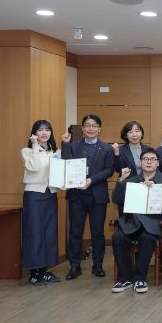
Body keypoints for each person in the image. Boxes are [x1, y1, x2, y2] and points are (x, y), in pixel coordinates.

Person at [110, 148, 162, 293]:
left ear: (158, 163)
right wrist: (121, 180)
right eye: (145, 159)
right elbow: (116, 199)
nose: (149, 162)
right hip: (132, 223)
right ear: (140, 162)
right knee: (118, 237)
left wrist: (157, 190)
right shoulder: (131, 181)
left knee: (147, 238)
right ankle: (125, 279)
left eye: (152, 159)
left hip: (153, 225)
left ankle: (140, 279)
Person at [61, 114, 114, 280]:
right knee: (75, 232)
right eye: (87, 125)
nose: (91, 128)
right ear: (82, 128)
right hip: (76, 196)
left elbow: (109, 170)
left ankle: (98, 265)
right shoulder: (73, 146)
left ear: (99, 129)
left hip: (97, 196)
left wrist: (91, 180)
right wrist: (65, 144)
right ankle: (74, 266)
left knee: (97, 233)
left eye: (94, 125)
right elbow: (66, 164)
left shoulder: (106, 148)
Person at [20, 119, 61, 285]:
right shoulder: (27, 151)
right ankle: (34, 273)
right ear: (34, 133)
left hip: (50, 193)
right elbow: (34, 167)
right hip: (34, 195)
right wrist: (35, 145)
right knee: (34, 232)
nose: (44, 133)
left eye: (47, 130)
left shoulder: (55, 151)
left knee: (49, 232)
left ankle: (44, 270)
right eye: (40, 130)